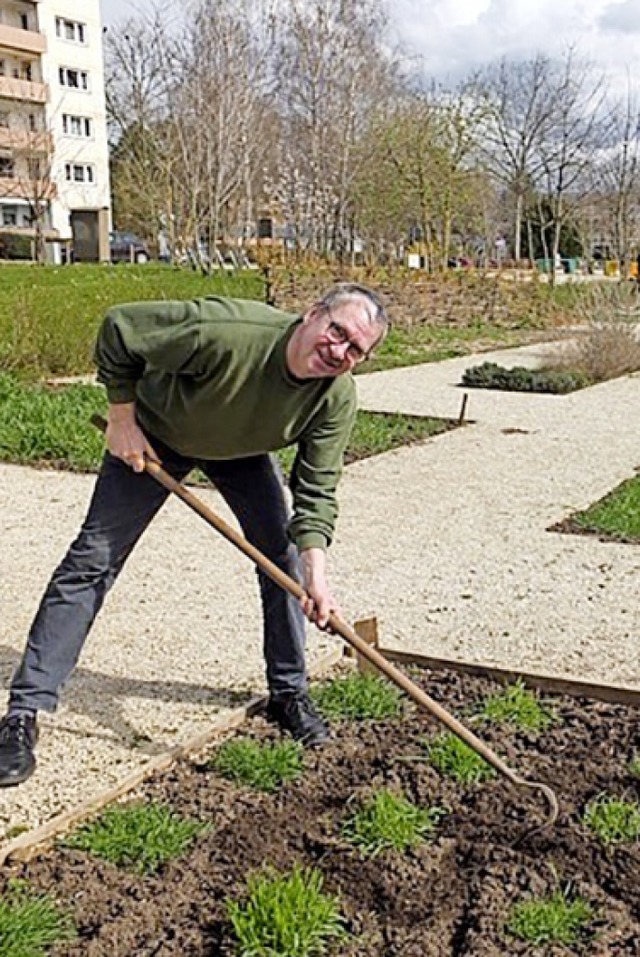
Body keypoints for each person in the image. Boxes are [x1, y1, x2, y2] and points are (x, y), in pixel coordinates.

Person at [0, 283, 389, 787]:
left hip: (245, 453)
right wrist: (122, 417)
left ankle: (289, 692)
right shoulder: (226, 333)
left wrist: (318, 575)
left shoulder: (334, 397)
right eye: (337, 331)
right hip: (157, 436)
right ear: (312, 315)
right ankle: (24, 712)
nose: (339, 350)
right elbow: (120, 327)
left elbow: (316, 490)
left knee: (284, 564)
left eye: (355, 349)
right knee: (93, 559)